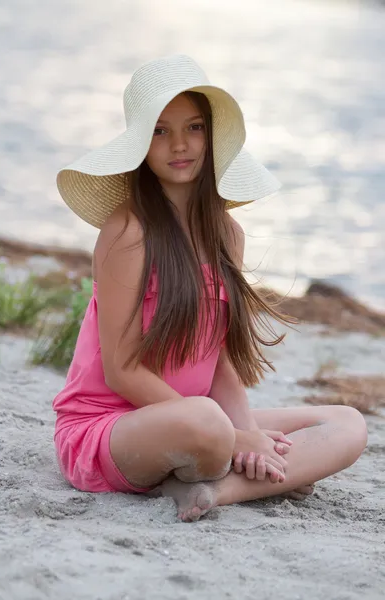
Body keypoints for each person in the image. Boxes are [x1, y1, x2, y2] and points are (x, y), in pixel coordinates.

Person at [53, 55, 367, 522]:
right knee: (206, 423)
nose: (179, 145)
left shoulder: (228, 234)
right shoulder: (128, 232)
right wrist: (236, 437)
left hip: (200, 422)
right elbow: (121, 371)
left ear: (211, 136)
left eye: (194, 127)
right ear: (140, 144)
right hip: (113, 427)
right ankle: (241, 467)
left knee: (347, 424)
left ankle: (215, 491)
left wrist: (244, 431)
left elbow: (219, 361)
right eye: (160, 131)